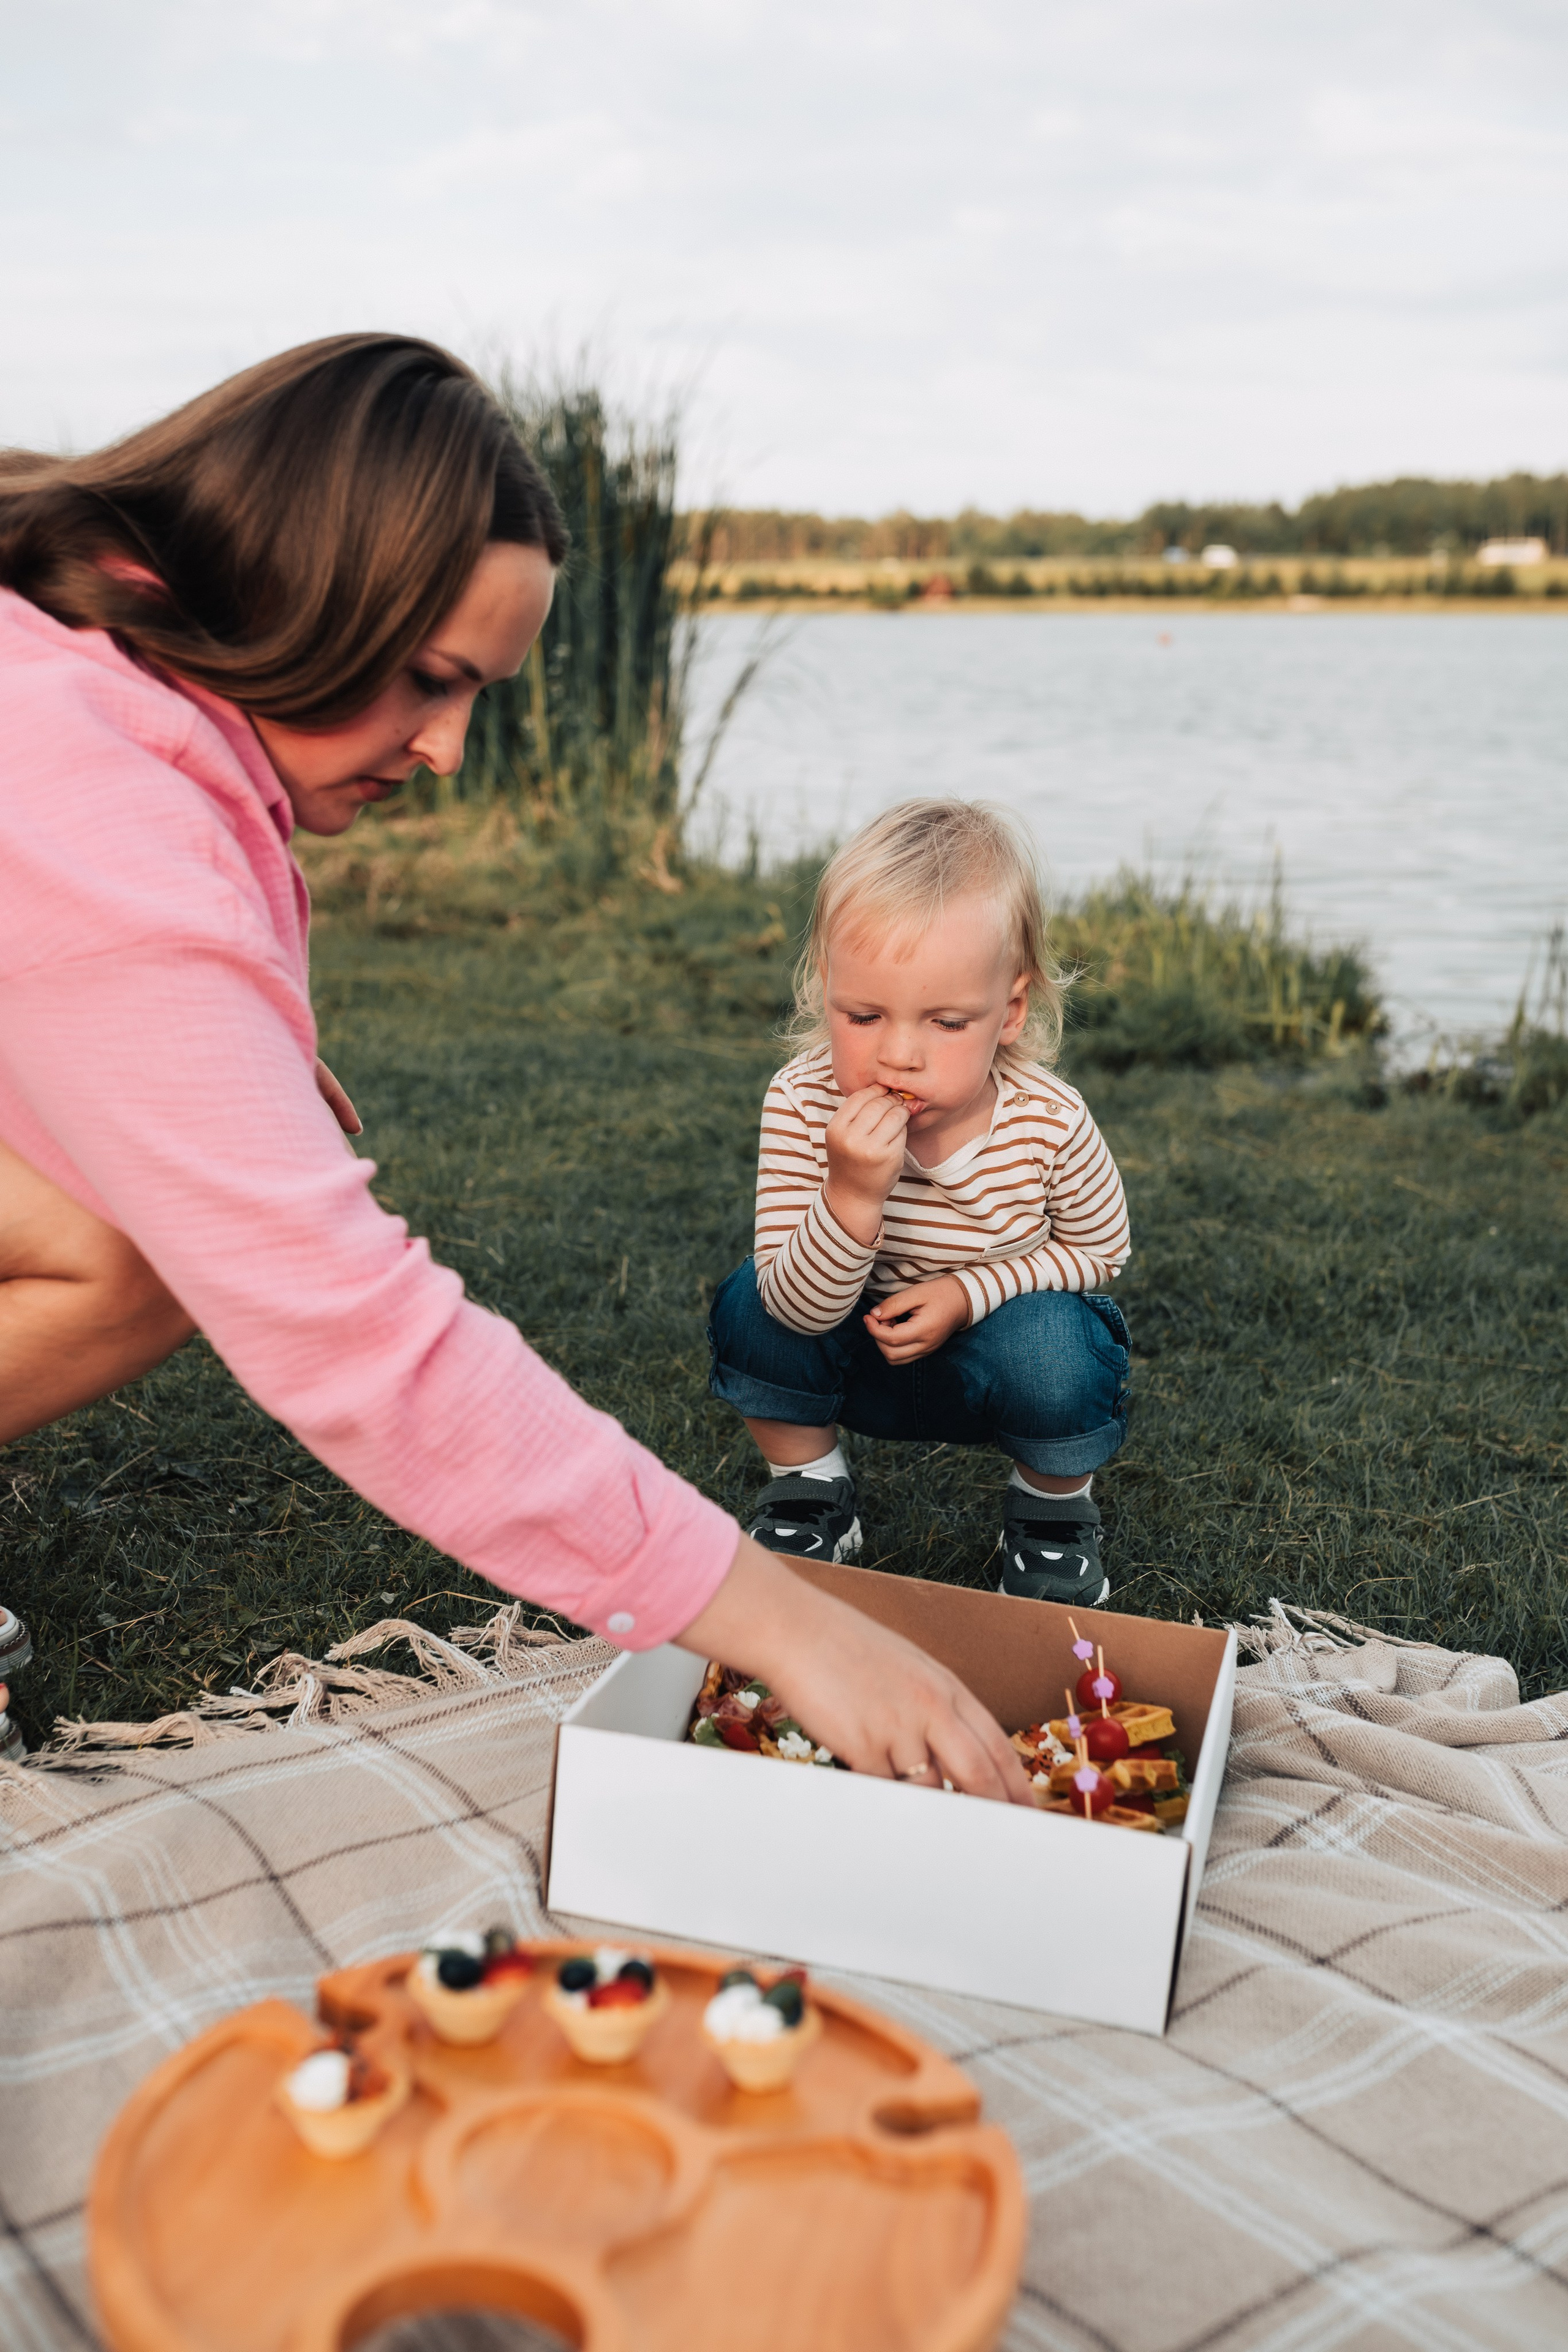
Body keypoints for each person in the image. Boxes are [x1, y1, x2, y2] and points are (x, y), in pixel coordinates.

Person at [0, 334, 1028, 1804]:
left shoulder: (90, 669)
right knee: (140, 1247)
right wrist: (789, 1628)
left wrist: (228, 1065)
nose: (447, 752)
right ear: (291, 587)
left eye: (477, 692)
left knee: (129, 1225)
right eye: (427, 680)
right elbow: (359, 1341)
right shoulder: (96, 811)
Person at [707, 799, 1133, 1602]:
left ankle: (1049, 1517)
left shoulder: (1049, 1119)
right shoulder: (803, 1101)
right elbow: (798, 1313)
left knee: (1062, 1342)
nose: (897, 1056)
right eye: (863, 1016)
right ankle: (811, 1491)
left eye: (945, 1022)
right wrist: (851, 1194)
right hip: (850, 1343)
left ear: (1008, 1013)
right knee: (751, 1304)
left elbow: (1100, 1248)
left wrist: (968, 1293)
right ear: (825, 990)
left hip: (996, 1355)